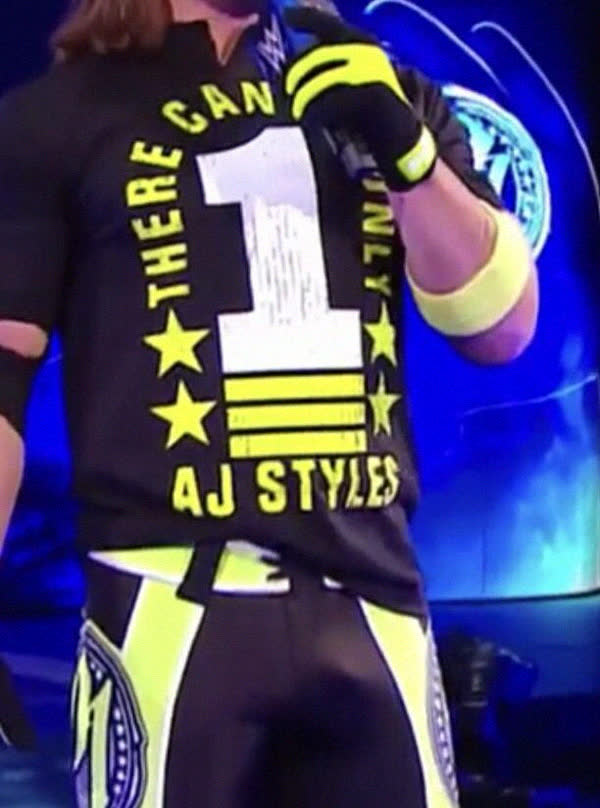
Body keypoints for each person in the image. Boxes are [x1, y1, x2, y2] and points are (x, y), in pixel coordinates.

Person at [0, 0, 538, 804]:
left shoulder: (384, 89)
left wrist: (410, 157)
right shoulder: (60, 116)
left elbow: (502, 328)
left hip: (374, 600)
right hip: (166, 605)